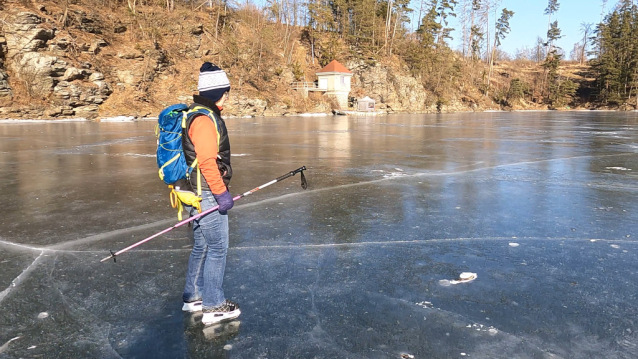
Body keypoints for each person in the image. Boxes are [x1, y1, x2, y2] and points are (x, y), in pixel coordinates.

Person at [181, 62, 240, 325]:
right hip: (206, 192)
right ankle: (214, 305)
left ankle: (193, 296)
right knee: (218, 248)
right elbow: (206, 161)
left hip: (195, 191)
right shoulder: (204, 119)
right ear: (217, 92)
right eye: (225, 92)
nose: (228, 96)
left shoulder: (197, 113)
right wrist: (221, 194)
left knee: (203, 245)